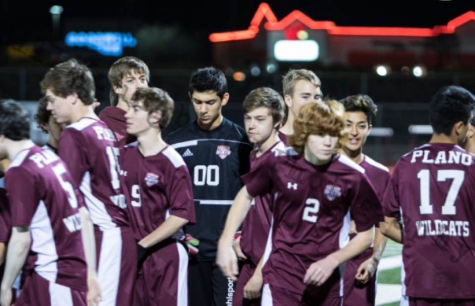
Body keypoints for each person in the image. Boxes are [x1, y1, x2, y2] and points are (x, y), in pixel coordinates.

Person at [218, 101, 383, 305]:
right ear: (304, 133)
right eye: (320, 135)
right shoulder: (279, 162)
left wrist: (333, 260)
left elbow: (367, 235)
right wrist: (225, 241)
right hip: (280, 280)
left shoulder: (354, 176)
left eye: (333, 134)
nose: (328, 142)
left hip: (326, 286)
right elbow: (246, 194)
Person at [42, 59, 136, 306]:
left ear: (73, 96)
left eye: (53, 99)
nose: (50, 107)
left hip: (104, 237)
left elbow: (67, 201)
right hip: (116, 235)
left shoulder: (75, 133)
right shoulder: (100, 127)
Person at [381, 86, 475, 306]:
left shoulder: (405, 164)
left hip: (422, 277)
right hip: (464, 279)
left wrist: (419, 239)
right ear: (459, 126)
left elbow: (385, 225)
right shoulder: (472, 166)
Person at [0, 100, 100, 306]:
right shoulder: (49, 158)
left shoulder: (20, 169)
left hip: (52, 276)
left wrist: (5, 286)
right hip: (70, 275)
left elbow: (22, 239)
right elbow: (84, 217)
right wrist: (91, 274)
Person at [166, 67, 252, 306]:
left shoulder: (242, 142)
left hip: (227, 252)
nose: (203, 109)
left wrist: (241, 236)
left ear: (224, 99)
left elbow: (252, 197)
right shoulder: (175, 142)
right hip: (191, 249)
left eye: (210, 102)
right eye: (197, 101)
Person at [120, 87, 195, 305]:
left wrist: (142, 246)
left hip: (165, 256)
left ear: (156, 116)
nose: (128, 114)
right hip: (131, 257)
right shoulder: (123, 155)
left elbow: (182, 214)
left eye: (136, 109)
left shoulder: (173, 162)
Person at [222, 87, 286, 306]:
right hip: (250, 262)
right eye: (248, 118)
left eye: (260, 119)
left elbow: (283, 228)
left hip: (272, 269)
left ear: (277, 121)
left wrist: (261, 273)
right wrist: (242, 237)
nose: (251, 125)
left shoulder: (281, 161)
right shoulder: (253, 154)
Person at [339, 95, 391, 306]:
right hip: (323, 258)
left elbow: (384, 224)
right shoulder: (319, 168)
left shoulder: (380, 174)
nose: (353, 132)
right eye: (347, 125)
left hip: (360, 263)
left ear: (369, 129)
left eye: (360, 126)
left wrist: (374, 261)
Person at [100, 56, 150, 147]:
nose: (140, 85)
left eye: (142, 79)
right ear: (118, 88)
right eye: (131, 80)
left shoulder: (151, 119)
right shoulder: (105, 122)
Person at [278, 69, 323, 144]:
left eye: (317, 97)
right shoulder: (270, 142)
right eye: (305, 97)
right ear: (288, 100)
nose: (313, 103)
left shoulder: (326, 140)